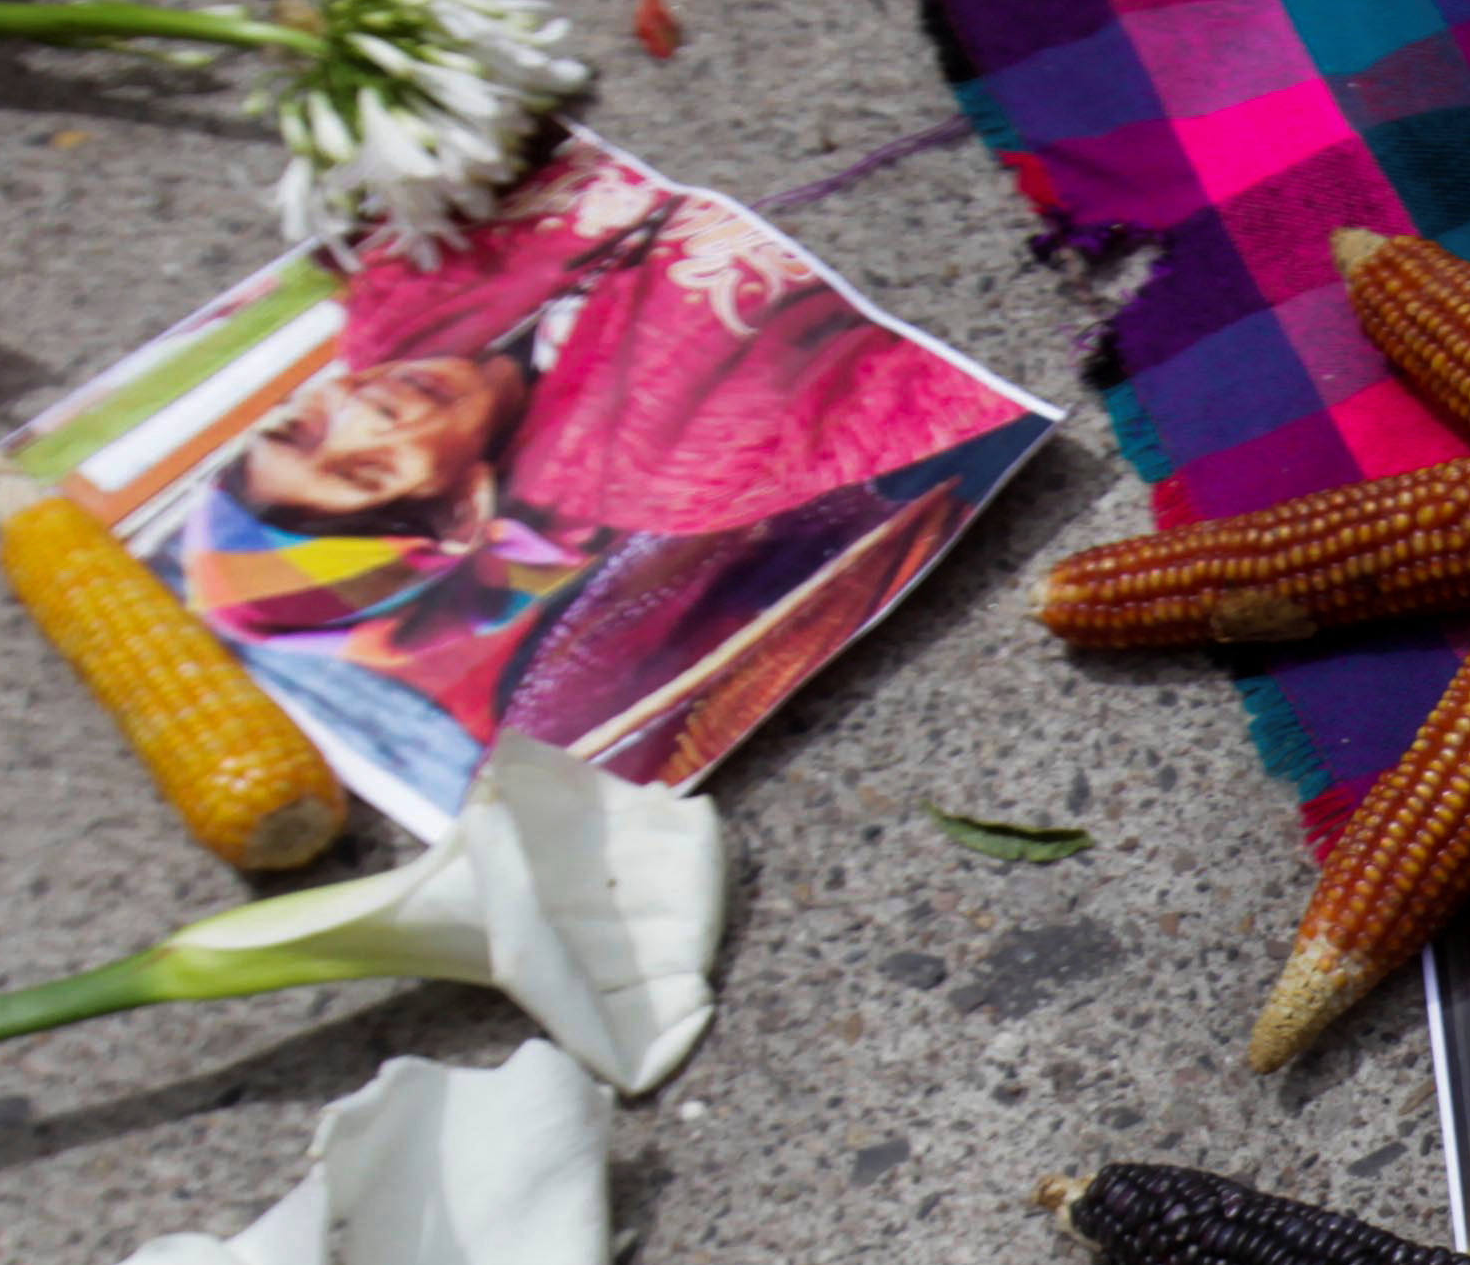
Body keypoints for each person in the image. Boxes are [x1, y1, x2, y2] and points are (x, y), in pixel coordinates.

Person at [178, 146, 1042, 816]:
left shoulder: (395, 302)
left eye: (303, 427)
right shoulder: (674, 474)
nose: (369, 417)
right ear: (457, 514)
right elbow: (920, 391)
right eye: (369, 469)